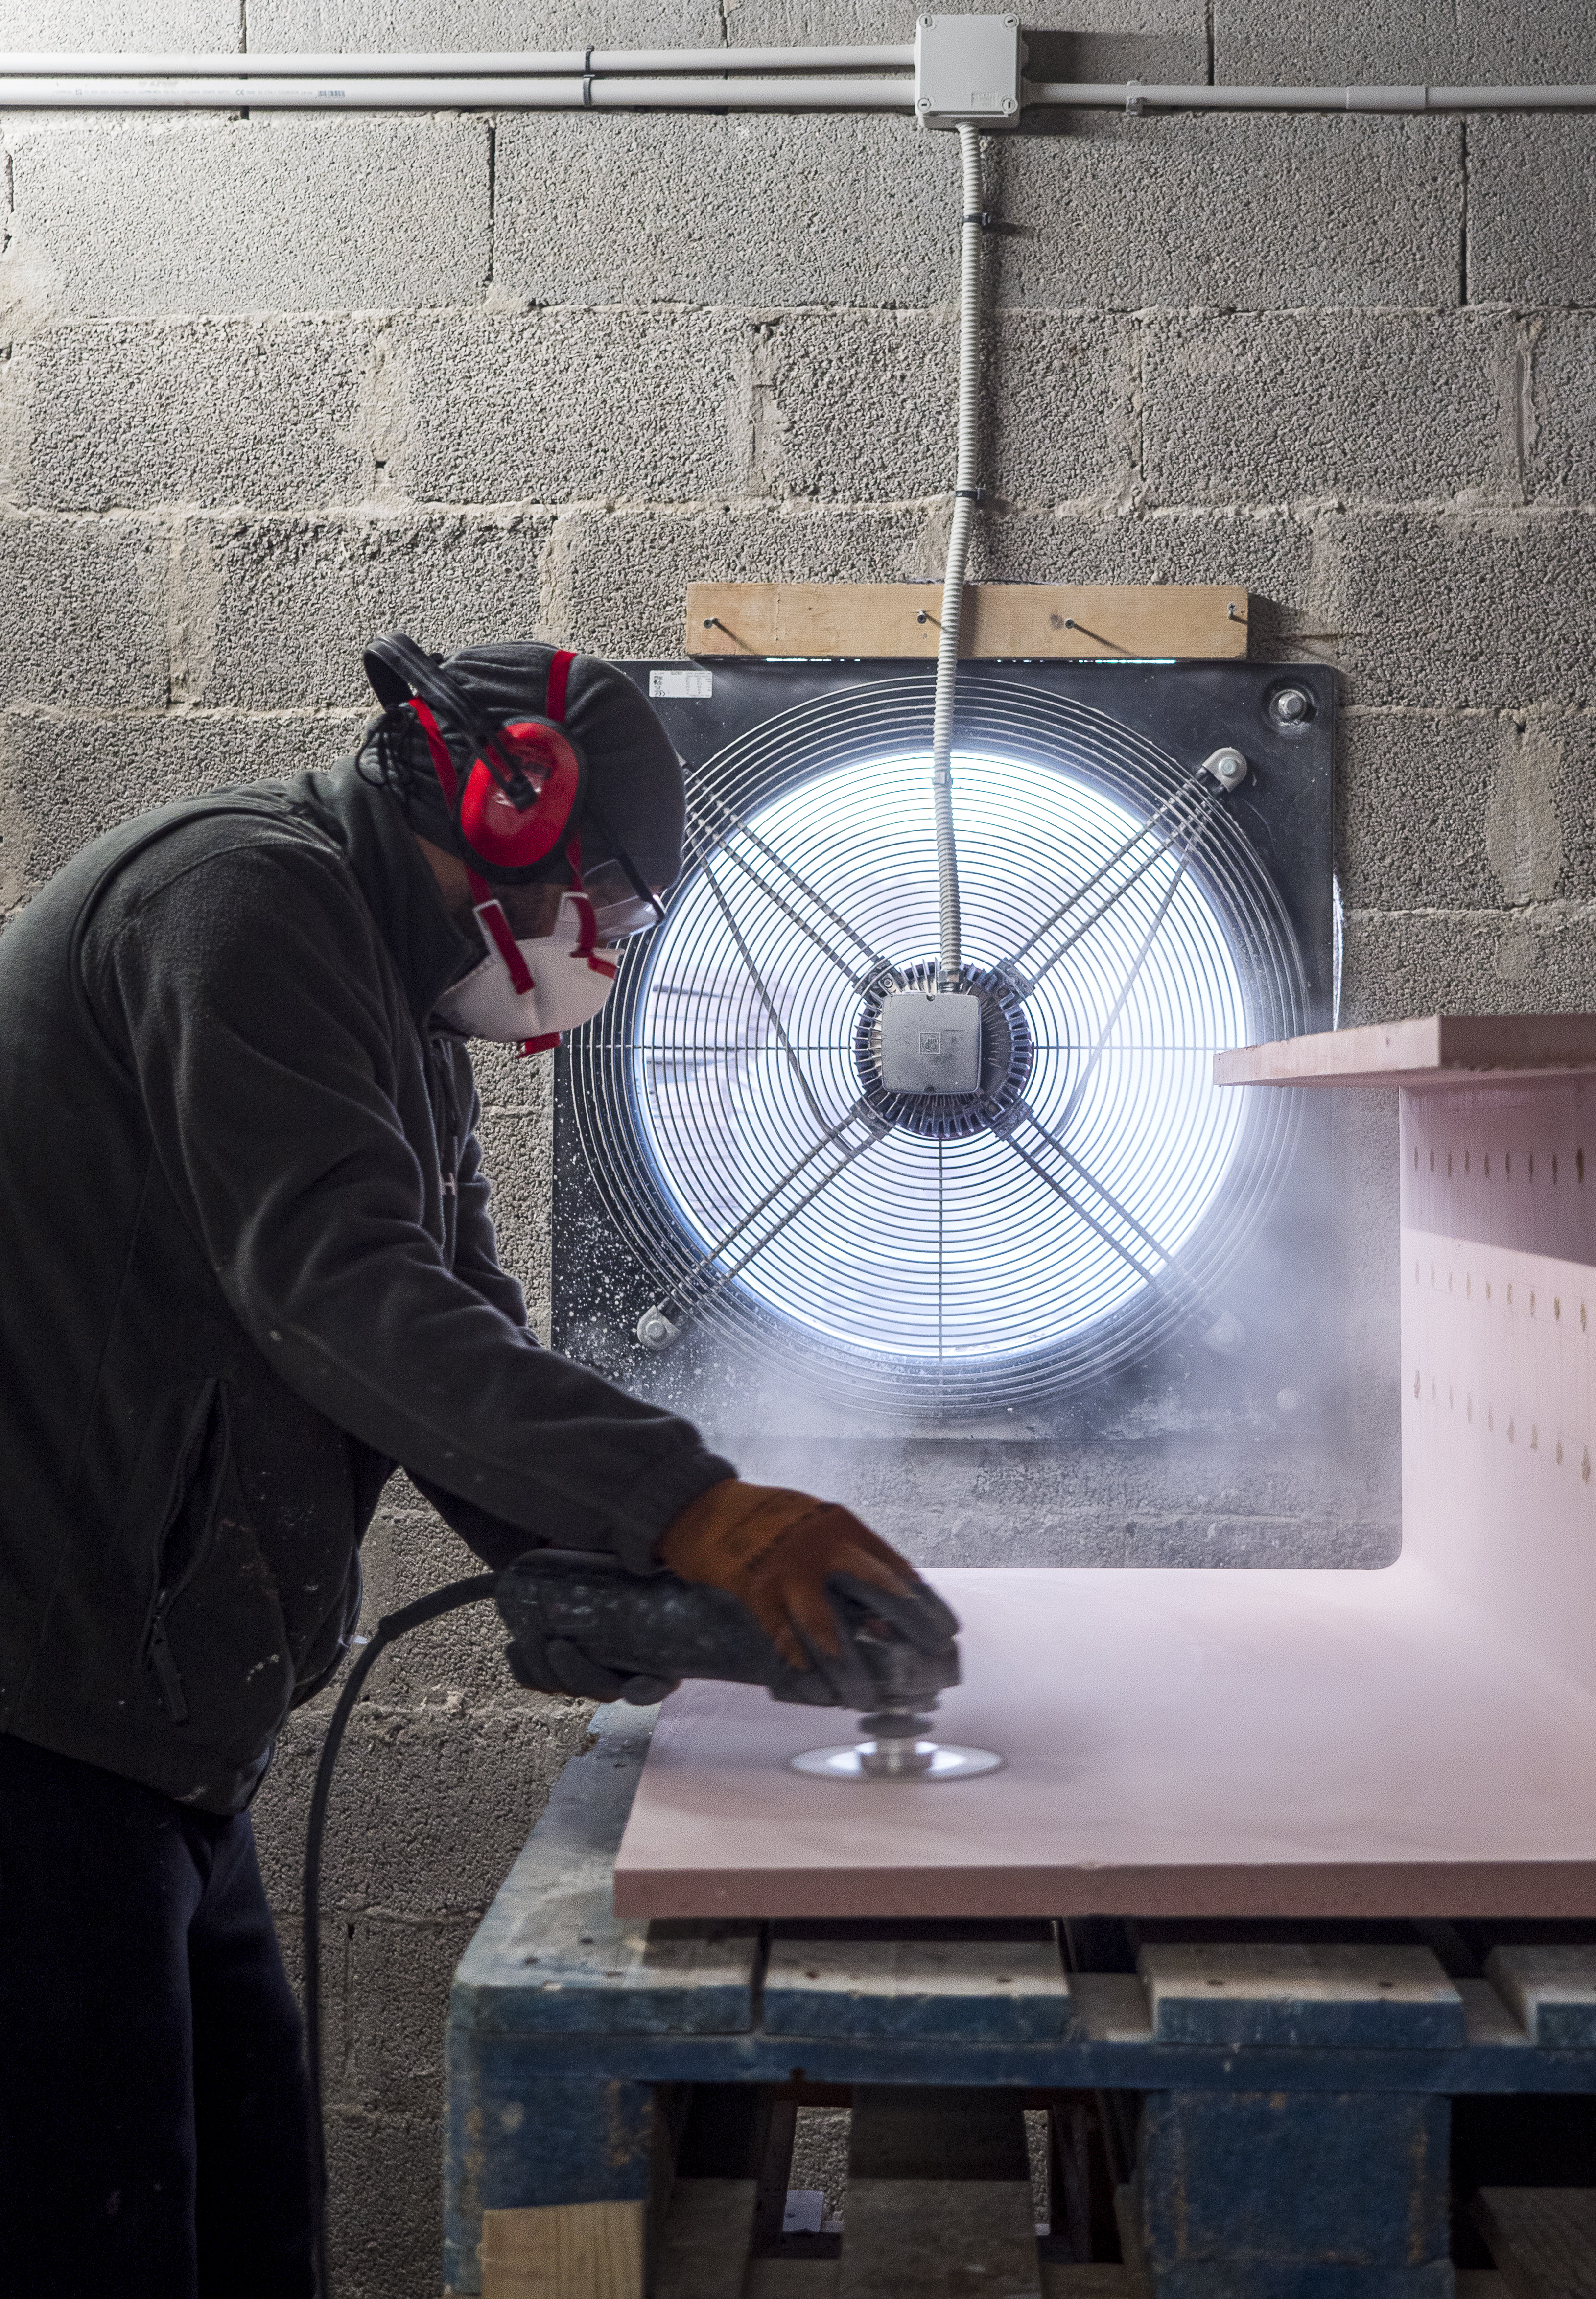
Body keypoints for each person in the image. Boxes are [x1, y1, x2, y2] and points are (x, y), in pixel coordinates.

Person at [0, 634, 941, 2298]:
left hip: (151, 1741)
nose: (614, 956)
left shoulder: (394, 996)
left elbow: (458, 1317)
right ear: (516, 822)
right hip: (31, 1719)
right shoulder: (241, 903)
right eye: (625, 916)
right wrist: (702, 1510)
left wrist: (624, 1581)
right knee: (103, 2243)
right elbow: (342, 1301)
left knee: (245, 2226)